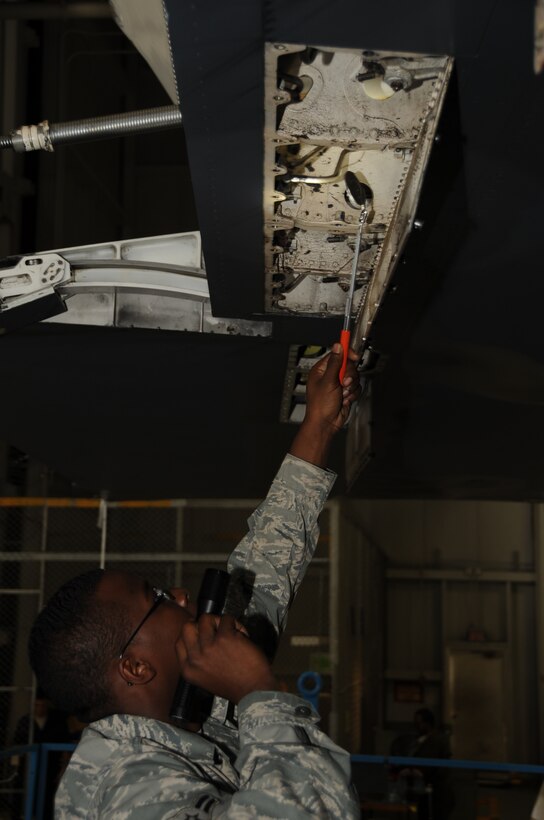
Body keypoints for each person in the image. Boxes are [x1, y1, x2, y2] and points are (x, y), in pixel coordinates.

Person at [28, 344, 362, 819]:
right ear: (137, 668)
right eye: (158, 598)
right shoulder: (130, 793)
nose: (180, 595)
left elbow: (266, 568)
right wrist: (256, 692)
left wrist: (319, 425)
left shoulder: (191, 713)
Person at [409, 708, 455, 820]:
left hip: (436, 792)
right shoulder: (422, 740)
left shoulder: (436, 741)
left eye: (418, 723)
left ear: (427, 724)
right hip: (428, 790)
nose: (416, 726)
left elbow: (428, 764)